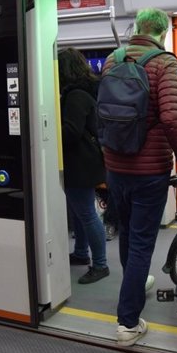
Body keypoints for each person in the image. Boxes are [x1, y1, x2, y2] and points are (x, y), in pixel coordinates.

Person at [102, 8, 177, 347]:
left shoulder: (113, 60)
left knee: (128, 233)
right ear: (163, 32)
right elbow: (172, 119)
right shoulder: (164, 63)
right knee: (142, 242)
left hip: (115, 168)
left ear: (139, 28)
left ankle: (135, 281)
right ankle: (128, 324)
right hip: (149, 171)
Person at [58, 48, 109, 284]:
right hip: (87, 161)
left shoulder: (75, 96)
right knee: (80, 212)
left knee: (87, 214)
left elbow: (71, 132)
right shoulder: (86, 91)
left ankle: (100, 265)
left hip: (80, 163)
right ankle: (80, 253)